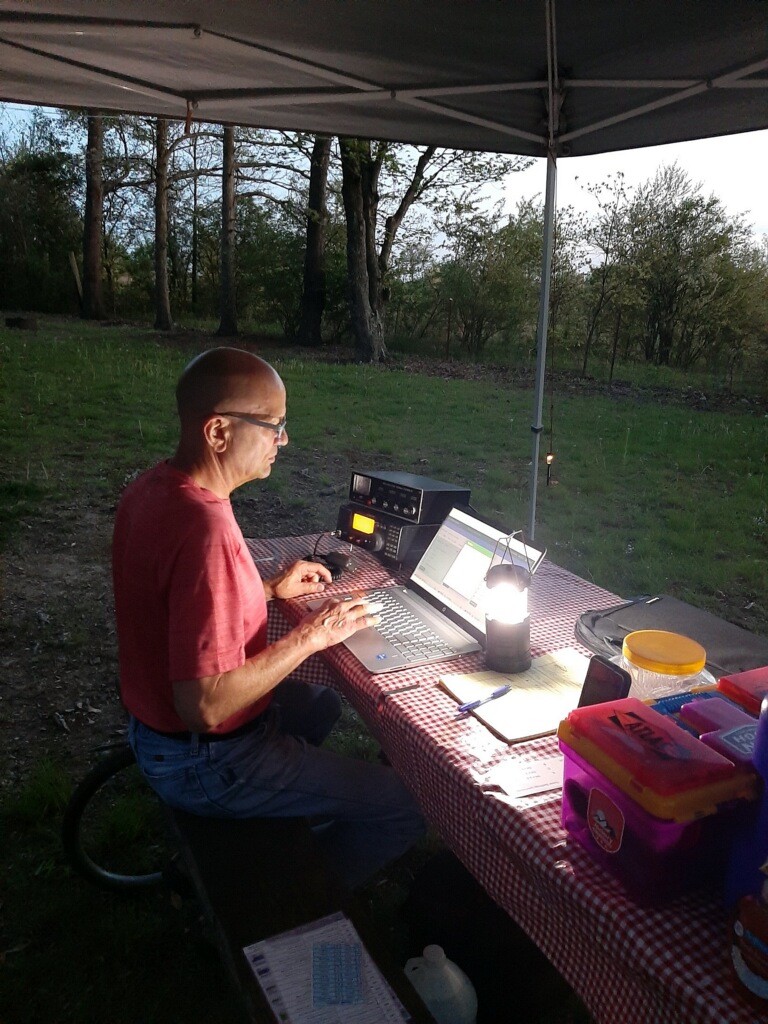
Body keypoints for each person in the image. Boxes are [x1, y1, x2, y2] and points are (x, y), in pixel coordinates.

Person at [112, 346, 425, 891]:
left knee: (327, 697)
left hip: (158, 737)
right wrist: (311, 635)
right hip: (205, 761)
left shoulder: (154, 489)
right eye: (274, 426)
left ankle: (295, 809)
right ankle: (298, 897)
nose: (285, 441)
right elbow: (204, 707)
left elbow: (181, 603)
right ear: (218, 433)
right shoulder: (203, 528)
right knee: (406, 807)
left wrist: (267, 586)